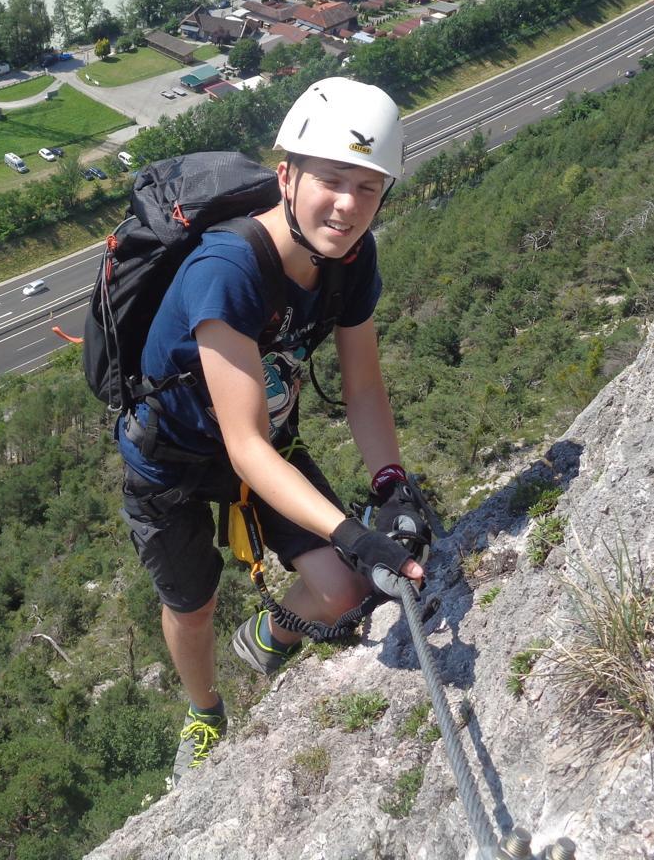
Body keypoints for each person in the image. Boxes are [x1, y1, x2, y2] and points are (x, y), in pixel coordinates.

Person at [117, 77, 427, 785]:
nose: (348, 206)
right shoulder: (230, 267)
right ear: (286, 175)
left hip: (265, 445)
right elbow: (243, 445)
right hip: (172, 458)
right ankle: (204, 712)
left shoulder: (353, 260)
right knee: (191, 607)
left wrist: (391, 486)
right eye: (332, 180)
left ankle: (266, 638)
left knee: (345, 592)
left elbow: (364, 386)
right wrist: (353, 531)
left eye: (369, 188)